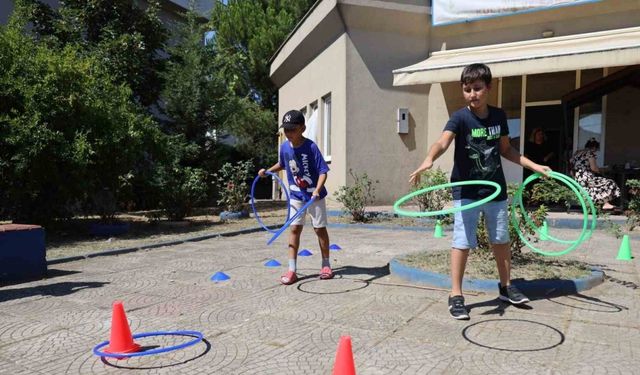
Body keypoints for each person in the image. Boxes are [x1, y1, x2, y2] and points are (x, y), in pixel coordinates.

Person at [409, 63, 551, 320]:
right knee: (462, 242)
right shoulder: (460, 117)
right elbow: (443, 141)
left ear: (488, 88)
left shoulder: (499, 116)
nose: (472, 94)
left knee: (501, 240)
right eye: (467, 89)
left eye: (477, 88)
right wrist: (429, 158)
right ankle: (456, 295)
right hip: (466, 191)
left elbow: (506, 150)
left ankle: (506, 287)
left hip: (494, 189)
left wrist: (533, 165)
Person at [259, 109, 332, 285]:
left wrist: (317, 190)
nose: (288, 133)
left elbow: (323, 171)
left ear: (302, 128)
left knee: (319, 229)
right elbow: (282, 164)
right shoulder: (284, 147)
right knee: (294, 229)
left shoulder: (311, 147)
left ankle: (326, 265)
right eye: (286, 129)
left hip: (315, 196)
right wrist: (267, 171)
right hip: (296, 195)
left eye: (292, 129)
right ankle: (292, 270)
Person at [570, 138, 620, 210]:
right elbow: (593, 168)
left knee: (595, 186)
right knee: (609, 183)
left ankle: (602, 204)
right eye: (596, 150)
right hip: (586, 176)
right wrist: (601, 171)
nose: (596, 152)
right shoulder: (590, 153)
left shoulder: (577, 153)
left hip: (578, 177)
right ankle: (606, 203)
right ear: (594, 148)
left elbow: (571, 162)